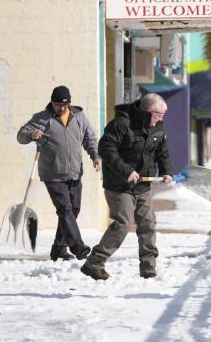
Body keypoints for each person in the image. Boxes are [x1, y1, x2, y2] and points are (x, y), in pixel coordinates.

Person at [81, 93, 173, 281]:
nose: (162, 118)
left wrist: (166, 171)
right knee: (123, 223)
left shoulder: (157, 127)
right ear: (148, 111)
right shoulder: (122, 124)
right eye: (159, 114)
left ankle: (148, 268)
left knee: (148, 223)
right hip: (119, 185)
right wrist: (126, 170)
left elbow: (162, 152)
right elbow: (106, 148)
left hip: (143, 185)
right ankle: (94, 262)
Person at [17, 85, 101, 261]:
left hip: (75, 172)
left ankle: (58, 248)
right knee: (65, 209)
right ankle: (77, 246)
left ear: (69, 104)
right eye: (57, 105)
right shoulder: (41, 118)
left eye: (64, 105)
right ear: (52, 103)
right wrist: (32, 134)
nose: (60, 108)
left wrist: (95, 156)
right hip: (53, 174)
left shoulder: (79, 117)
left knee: (74, 209)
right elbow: (21, 135)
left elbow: (89, 138)